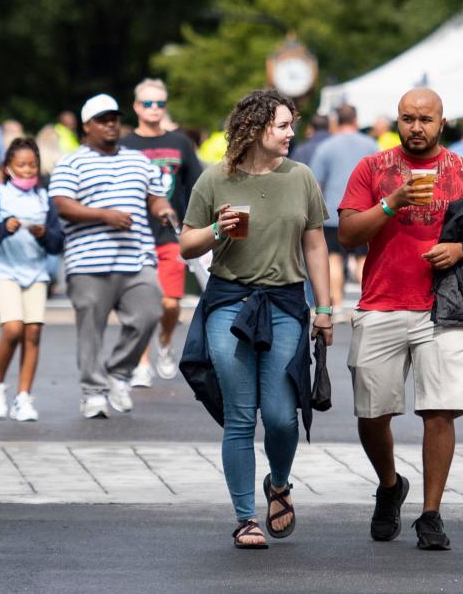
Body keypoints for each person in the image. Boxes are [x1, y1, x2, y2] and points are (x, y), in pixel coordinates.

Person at [338, 88, 463, 551]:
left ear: (441, 122)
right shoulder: (373, 169)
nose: (416, 127)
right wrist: (391, 202)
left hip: (444, 307)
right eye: (408, 119)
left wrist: (461, 250)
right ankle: (390, 485)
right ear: (397, 120)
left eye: (425, 119)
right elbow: (349, 234)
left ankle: (431, 514)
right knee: (372, 412)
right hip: (381, 303)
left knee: (440, 409)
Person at [179, 89, 332, 550]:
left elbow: (315, 245)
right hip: (228, 302)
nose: (291, 133)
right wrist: (214, 230)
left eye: (291, 125)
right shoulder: (214, 181)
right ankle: (246, 517)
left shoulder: (301, 177)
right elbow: (187, 244)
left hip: (285, 303)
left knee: (283, 417)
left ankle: (279, 484)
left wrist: (324, 308)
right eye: (283, 126)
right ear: (255, 128)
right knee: (242, 416)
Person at [49, 94, 175, 419]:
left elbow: (156, 197)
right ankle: (92, 392)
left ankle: (119, 374)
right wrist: (104, 215)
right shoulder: (72, 161)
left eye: (114, 119)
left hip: (136, 259)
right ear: (87, 126)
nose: (110, 124)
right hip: (88, 261)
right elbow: (62, 203)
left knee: (149, 313)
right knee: (91, 328)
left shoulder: (138, 160)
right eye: (102, 120)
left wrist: (164, 210)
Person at [0, 138, 64, 421]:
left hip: (35, 273)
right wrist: (4, 228)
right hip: (3, 271)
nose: (27, 170)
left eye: (32, 165)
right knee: (13, 329)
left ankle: (23, 397)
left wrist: (44, 234)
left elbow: (58, 241)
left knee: (33, 333)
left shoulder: (43, 199)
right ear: (8, 167)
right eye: (21, 165)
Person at [121, 79, 203, 387]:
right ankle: (141, 362)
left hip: (171, 231)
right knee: (141, 305)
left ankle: (165, 341)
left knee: (169, 303)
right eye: (148, 103)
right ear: (137, 107)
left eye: (159, 104)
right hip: (135, 234)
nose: (154, 109)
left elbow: (197, 185)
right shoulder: (126, 145)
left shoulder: (180, 142)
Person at [310, 105, 378, 320]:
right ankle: (369, 301)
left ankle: (337, 305)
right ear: (356, 119)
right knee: (363, 258)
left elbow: (315, 183)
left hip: (333, 210)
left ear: (336, 121)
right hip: (364, 212)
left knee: (334, 258)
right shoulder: (371, 145)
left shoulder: (327, 147)